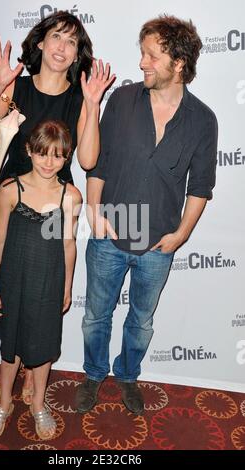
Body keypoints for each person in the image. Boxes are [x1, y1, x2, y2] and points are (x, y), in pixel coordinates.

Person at [0, 10, 115, 404]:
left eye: (71, 41)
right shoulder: (16, 87)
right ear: (41, 42)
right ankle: (10, 374)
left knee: (43, 302)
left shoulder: (79, 98)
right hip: (12, 203)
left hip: (53, 211)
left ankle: (34, 380)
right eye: (56, 37)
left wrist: (93, 104)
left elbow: (86, 160)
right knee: (10, 295)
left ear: (77, 52)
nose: (62, 47)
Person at [75, 15, 218, 415]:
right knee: (95, 316)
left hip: (158, 244)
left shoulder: (204, 120)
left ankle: (127, 376)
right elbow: (98, 162)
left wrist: (181, 236)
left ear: (179, 63)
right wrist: (94, 212)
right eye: (142, 53)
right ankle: (92, 374)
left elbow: (200, 186)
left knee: (141, 321)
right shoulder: (121, 100)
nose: (142, 63)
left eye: (152, 56)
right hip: (109, 235)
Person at [0, 119, 82, 440]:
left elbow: (69, 244)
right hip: (13, 281)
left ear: (66, 158)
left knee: (42, 347)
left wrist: (66, 287)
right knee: (10, 346)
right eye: (42, 154)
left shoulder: (71, 195)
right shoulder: (10, 189)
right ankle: (4, 403)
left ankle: (38, 404)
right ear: (29, 150)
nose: (49, 162)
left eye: (57, 156)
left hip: (48, 284)